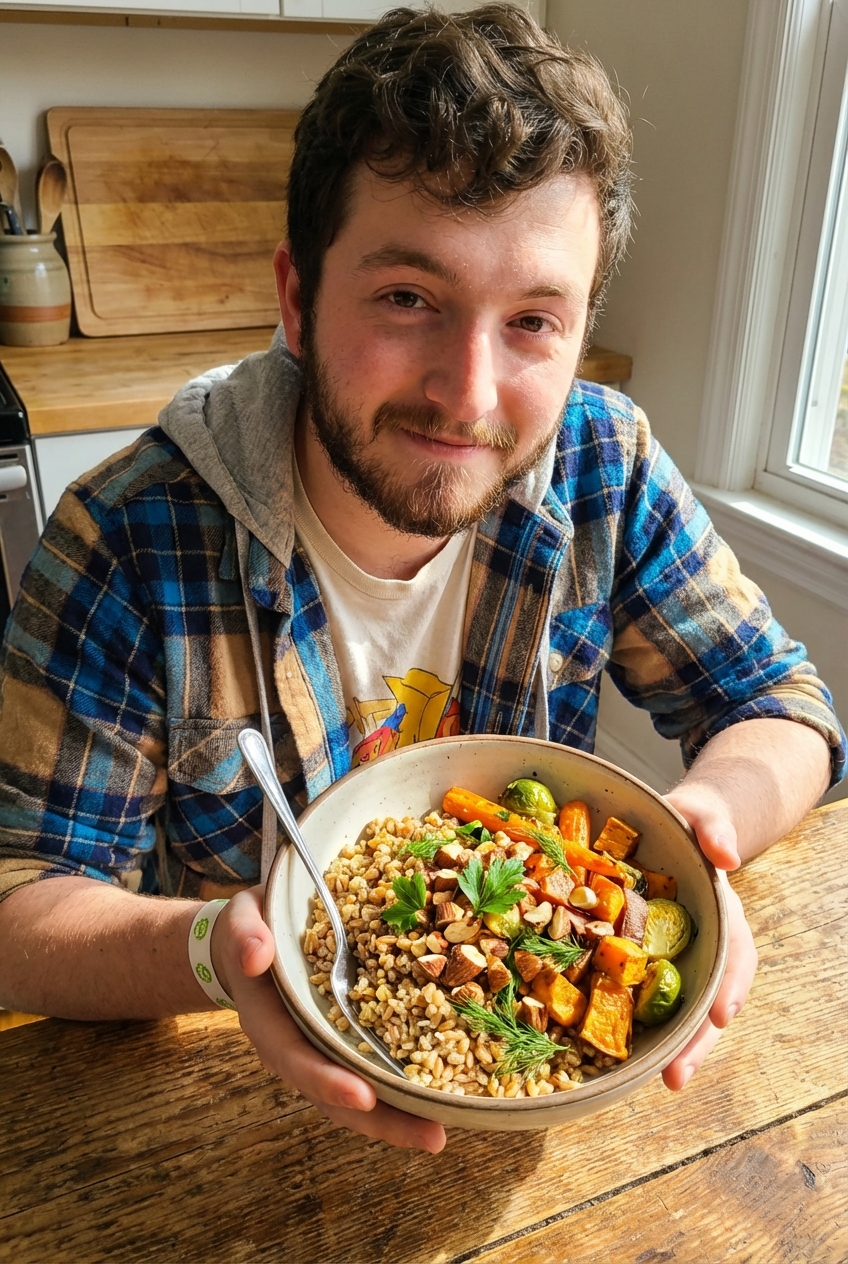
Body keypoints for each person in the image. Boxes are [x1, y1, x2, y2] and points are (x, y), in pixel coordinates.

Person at [0, 5, 844, 1155]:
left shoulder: (605, 465)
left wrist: (707, 839)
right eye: (407, 298)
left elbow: (782, 709)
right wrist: (222, 948)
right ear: (296, 300)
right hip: (231, 1118)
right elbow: (19, 899)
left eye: (534, 321)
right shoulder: (126, 540)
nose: (467, 392)